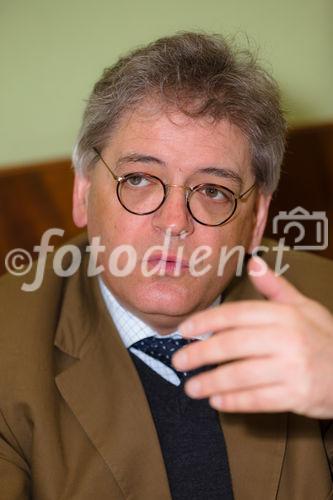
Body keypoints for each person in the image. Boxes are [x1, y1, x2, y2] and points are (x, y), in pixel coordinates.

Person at [1, 31, 333, 500]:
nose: (174, 222)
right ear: (82, 193)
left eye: (213, 190)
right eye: (139, 179)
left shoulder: (324, 312)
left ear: (256, 218)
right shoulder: (7, 349)